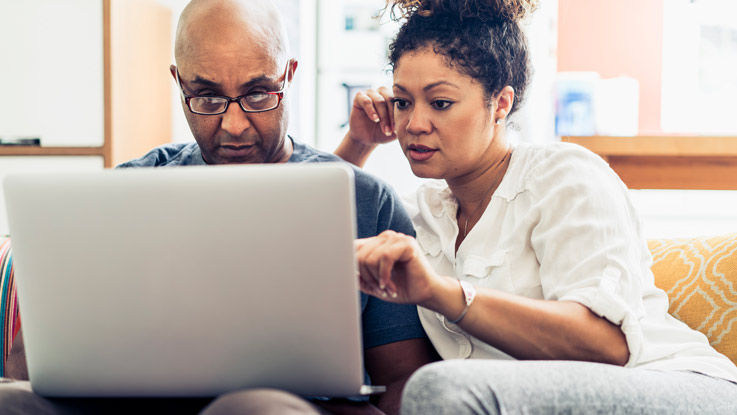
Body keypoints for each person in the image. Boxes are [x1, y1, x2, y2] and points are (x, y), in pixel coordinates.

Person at [0, 1, 438, 414]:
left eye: (258, 94)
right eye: (207, 98)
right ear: (179, 83)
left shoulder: (367, 202)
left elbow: (401, 378)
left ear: (289, 75)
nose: (233, 125)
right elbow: (25, 364)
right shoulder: (127, 191)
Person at [335, 0, 737, 413]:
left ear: (501, 103)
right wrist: (359, 143)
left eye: (439, 103)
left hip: (668, 382)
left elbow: (607, 345)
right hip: (521, 399)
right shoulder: (423, 216)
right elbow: (322, 237)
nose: (414, 124)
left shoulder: (566, 175)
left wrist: (442, 293)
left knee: (441, 389)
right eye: (402, 102)